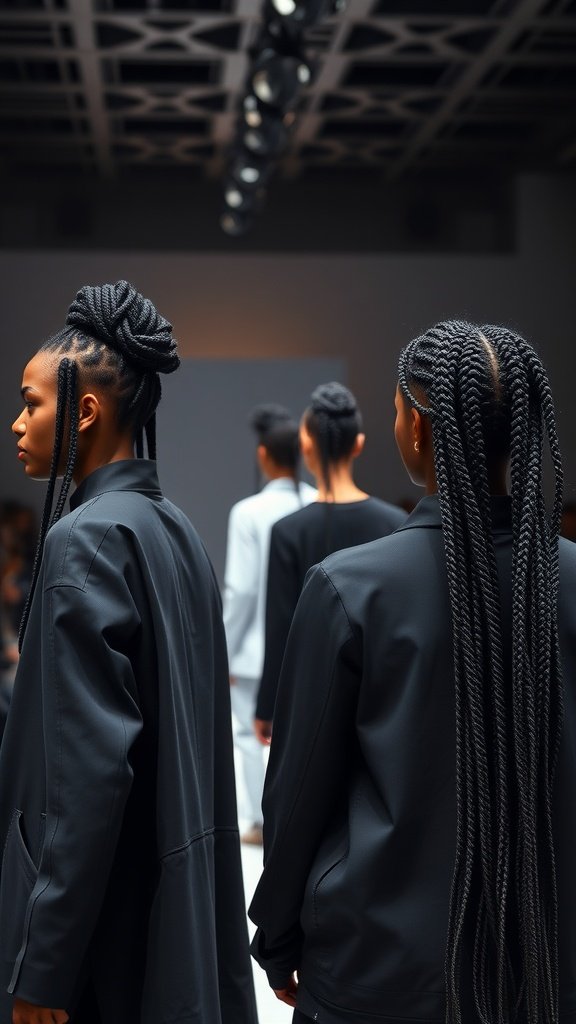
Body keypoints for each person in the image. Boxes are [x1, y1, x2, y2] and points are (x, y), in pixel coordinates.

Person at [249, 321, 576, 1024]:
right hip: (545, 971)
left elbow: (298, 793)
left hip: (377, 972)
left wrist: (277, 936)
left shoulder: (348, 589)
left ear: (418, 431)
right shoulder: (572, 581)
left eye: (399, 409)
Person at [0, 280, 258, 1024]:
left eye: (31, 402)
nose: (17, 424)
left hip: (103, 942)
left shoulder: (85, 540)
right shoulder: (172, 528)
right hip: (165, 916)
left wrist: (42, 963)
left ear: (85, 409)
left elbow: (84, 779)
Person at [254, 382, 406, 741]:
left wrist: (267, 707)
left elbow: (281, 628)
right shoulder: (394, 523)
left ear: (305, 445)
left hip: (314, 695)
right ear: (358, 444)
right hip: (381, 696)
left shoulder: (288, 531)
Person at [223, 405, 315, 845]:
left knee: (247, 736)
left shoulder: (248, 511)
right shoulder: (318, 504)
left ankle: (261, 822)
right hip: (308, 645)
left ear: (264, 456)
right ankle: (298, 817)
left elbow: (240, 591)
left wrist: (223, 648)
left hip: (252, 651)